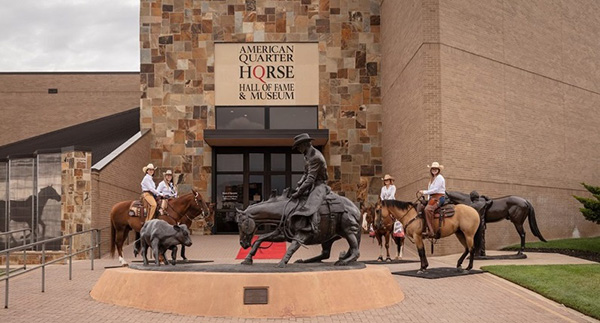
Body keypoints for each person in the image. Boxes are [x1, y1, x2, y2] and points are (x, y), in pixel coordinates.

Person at [290, 133, 329, 233]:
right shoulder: (307, 156)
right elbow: (306, 173)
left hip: (320, 184)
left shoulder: (315, 157)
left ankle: (314, 225)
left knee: (312, 201)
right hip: (312, 183)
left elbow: (311, 178)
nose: (298, 149)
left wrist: (299, 192)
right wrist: (299, 184)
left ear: (305, 144)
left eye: (299, 146)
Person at [419, 162, 446, 238]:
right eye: (433, 169)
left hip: (439, 197)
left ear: (438, 170)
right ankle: (424, 228)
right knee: (421, 207)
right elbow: (431, 192)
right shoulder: (431, 179)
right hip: (432, 198)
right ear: (431, 170)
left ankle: (431, 231)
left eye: (436, 169)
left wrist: (424, 192)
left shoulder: (440, 178)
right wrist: (427, 199)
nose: (434, 170)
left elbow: (435, 190)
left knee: (428, 209)